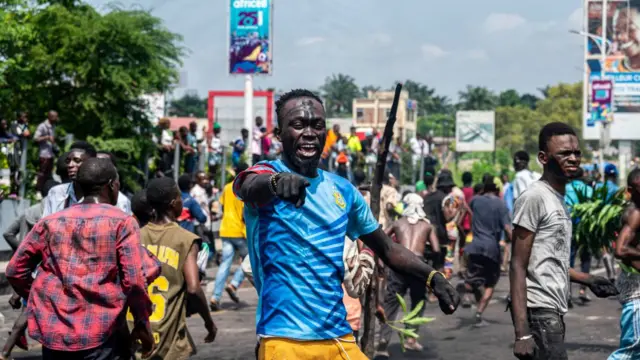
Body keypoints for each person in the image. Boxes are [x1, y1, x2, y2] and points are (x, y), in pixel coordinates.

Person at [234, 89, 459, 359]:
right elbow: (248, 186)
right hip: (284, 340)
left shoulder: (343, 190)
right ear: (279, 134)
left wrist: (433, 277)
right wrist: (276, 183)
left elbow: (387, 248)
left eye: (317, 125)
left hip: (339, 338)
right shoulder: (266, 174)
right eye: (298, 125)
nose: (309, 132)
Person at [6, 158, 160, 359]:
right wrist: (141, 322)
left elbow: (14, 270)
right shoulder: (122, 222)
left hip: (54, 334)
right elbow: (134, 281)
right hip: (102, 333)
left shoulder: (50, 222)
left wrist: (39, 298)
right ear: (112, 185)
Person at [510, 122, 618, 360]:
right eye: (564, 153)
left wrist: (587, 279)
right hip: (539, 309)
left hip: (554, 309)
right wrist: (522, 334)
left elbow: (548, 259)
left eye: (576, 153)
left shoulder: (558, 199)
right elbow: (517, 264)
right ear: (543, 157)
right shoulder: (534, 197)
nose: (573, 159)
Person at [130, 177, 216, 359]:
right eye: (179, 199)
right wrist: (209, 323)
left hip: (135, 332)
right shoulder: (185, 239)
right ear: (172, 203)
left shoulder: (135, 236)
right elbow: (194, 289)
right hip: (167, 338)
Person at [0, 179, 58, 360]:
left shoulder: (28, 212)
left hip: (27, 265)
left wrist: (22, 250)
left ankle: (14, 344)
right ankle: (6, 350)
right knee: (29, 309)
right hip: (40, 266)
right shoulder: (53, 213)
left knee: (29, 307)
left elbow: (8, 233)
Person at [377, 193, 440, 355]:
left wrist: (381, 261)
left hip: (398, 263)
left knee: (391, 302)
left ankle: (383, 343)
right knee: (418, 301)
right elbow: (436, 249)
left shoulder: (398, 223)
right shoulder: (427, 226)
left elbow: (381, 239)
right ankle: (410, 338)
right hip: (418, 266)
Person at [458, 180, 511, 326]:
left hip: (474, 246)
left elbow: (466, 209)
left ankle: (467, 285)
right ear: (496, 191)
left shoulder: (475, 200)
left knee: (475, 277)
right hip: (491, 249)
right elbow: (507, 227)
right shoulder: (501, 205)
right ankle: (478, 314)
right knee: (490, 284)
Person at [43, 142, 131, 216]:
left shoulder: (117, 199)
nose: (70, 165)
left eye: (77, 160)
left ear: (91, 163)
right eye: (68, 161)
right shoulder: (56, 193)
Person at [608, 168, 640, 359]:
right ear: (631, 190)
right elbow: (620, 250)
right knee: (630, 351)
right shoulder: (636, 213)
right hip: (636, 293)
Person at [210, 163, 249, 311]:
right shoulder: (245, 189)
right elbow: (246, 213)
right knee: (250, 260)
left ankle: (215, 297)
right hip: (239, 231)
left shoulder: (227, 187)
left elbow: (222, 206)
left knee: (225, 264)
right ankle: (234, 284)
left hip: (226, 229)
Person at [34, 110, 58, 192]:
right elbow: (36, 138)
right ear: (50, 117)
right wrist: (46, 137)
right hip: (44, 154)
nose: (57, 118)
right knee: (42, 174)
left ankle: (46, 190)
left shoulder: (53, 126)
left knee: (49, 174)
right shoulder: (42, 126)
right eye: (55, 117)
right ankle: (38, 190)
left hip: (50, 154)